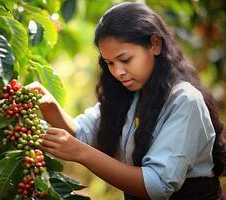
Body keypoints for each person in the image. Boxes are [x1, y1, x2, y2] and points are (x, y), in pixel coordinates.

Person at [27, 2, 226, 200]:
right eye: (109, 63)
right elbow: (83, 133)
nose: (117, 72)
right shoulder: (130, 95)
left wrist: (80, 153)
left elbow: (156, 186)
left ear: (155, 45)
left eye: (126, 60)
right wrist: (49, 106)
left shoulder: (185, 100)